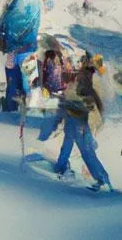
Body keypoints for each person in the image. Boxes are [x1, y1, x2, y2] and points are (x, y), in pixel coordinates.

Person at [40, 53, 112, 191]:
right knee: (69, 143)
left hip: (79, 119)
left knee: (86, 151)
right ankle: (61, 168)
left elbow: (89, 98)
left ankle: (102, 179)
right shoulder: (80, 78)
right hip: (73, 116)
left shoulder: (86, 79)